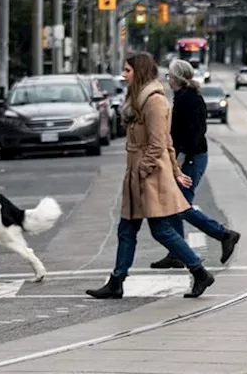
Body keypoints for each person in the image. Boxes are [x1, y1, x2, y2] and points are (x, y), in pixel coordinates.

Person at [86, 52, 215, 300]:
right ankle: (117, 281)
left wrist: (147, 170)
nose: (123, 75)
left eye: (127, 71)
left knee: (161, 230)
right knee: (127, 230)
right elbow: (164, 142)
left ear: (140, 71)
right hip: (137, 174)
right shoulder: (136, 100)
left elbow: (160, 143)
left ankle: (199, 271)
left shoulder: (154, 101)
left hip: (149, 176)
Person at [149, 59, 242, 269]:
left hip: (191, 159)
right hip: (192, 156)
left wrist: (179, 160)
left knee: (179, 206)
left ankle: (223, 234)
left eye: (171, 76)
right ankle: (177, 252)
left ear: (178, 78)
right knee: (176, 205)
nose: (169, 80)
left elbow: (191, 135)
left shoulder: (187, 100)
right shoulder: (185, 97)